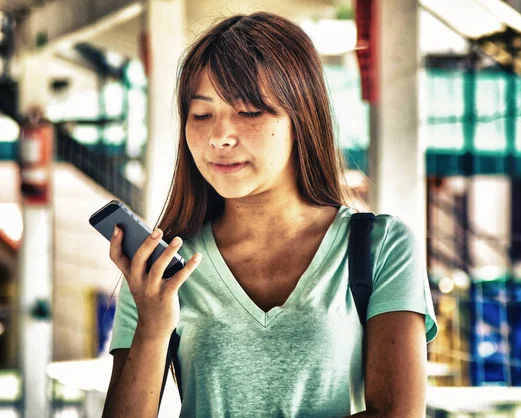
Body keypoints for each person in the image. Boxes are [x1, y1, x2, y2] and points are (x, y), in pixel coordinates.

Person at [102, 11, 437, 418]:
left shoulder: (379, 246)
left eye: (248, 112)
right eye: (202, 114)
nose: (220, 136)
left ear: (302, 117)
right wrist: (153, 327)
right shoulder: (160, 270)